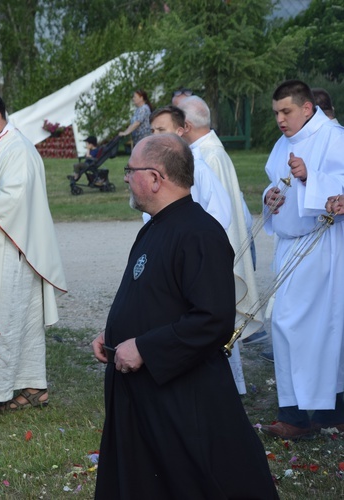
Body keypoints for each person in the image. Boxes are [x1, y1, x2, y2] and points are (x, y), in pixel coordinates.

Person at [92, 134, 278, 499]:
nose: (126, 177)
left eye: (131, 170)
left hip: (181, 396)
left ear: (157, 177)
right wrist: (112, 333)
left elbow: (212, 319)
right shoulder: (155, 226)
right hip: (144, 393)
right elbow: (154, 296)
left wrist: (144, 348)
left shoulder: (199, 233)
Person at [0, 89, 67, 410]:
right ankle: (33, 386)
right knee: (19, 320)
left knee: (5, 319)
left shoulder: (18, 149)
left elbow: (13, 199)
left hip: (10, 249)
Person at [259, 80, 344, 439]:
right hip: (290, 245)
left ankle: (307, 413)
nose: (280, 119)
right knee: (290, 327)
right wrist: (270, 197)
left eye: (286, 111)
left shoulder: (334, 136)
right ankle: (310, 411)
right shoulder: (284, 143)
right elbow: (270, 180)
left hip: (322, 245)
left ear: (307, 109)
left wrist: (313, 178)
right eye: (276, 112)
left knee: (318, 331)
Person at [179, 95, 257, 392]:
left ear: (184, 126)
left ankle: (222, 387)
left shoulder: (205, 157)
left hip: (208, 252)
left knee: (211, 320)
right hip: (216, 248)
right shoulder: (210, 151)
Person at [146, 105, 232, 230]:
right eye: (152, 131)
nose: (155, 136)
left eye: (161, 130)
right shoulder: (152, 170)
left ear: (179, 131)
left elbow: (220, 215)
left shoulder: (199, 169)